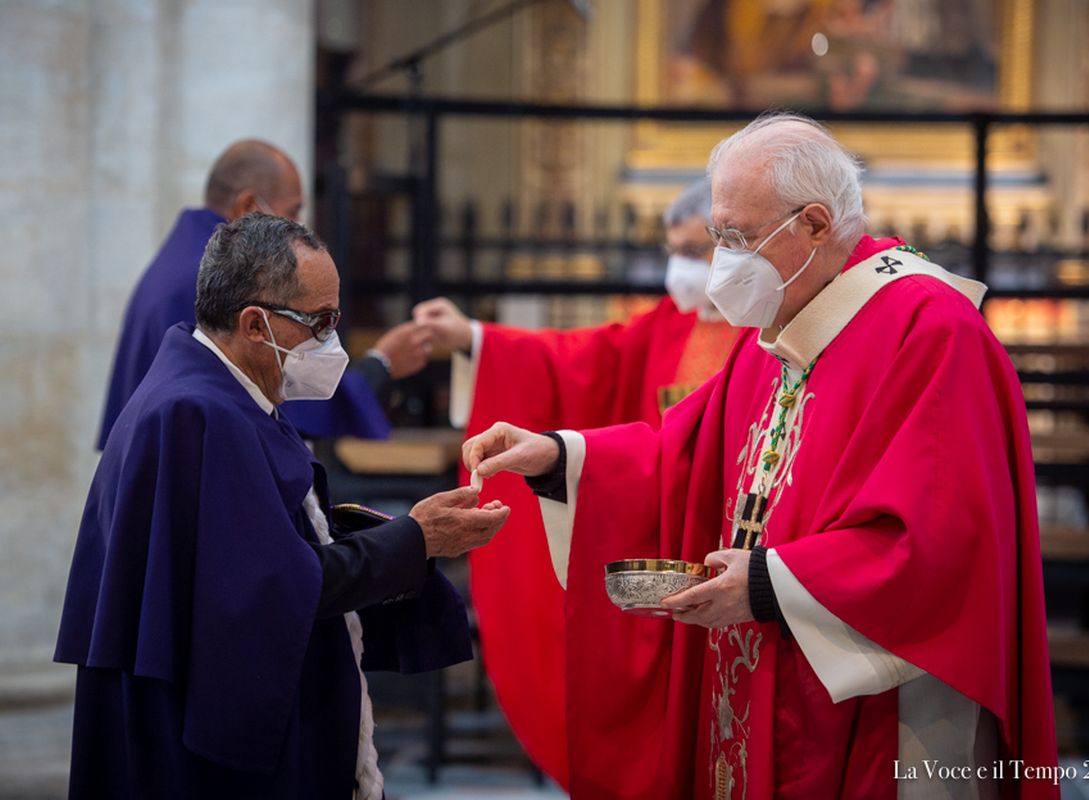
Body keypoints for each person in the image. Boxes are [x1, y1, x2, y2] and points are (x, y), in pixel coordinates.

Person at [462, 114, 1058, 798]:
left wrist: (772, 583)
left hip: (877, 706)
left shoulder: (930, 330)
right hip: (757, 672)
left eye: (736, 237)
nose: (722, 259)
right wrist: (559, 456)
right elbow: (685, 453)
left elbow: (943, 539)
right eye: (718, 235)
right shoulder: (779, 321)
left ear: (813, 224)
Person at [56, 214, 511, 799]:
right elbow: (274, 586)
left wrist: (394, 534)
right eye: (320, 322)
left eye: (336, 320)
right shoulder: (199, 414)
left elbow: (266, 548)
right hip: (192, 747)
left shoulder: (220, 392)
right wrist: (417, 538)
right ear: (253, 323)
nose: (332, 342)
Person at [412, 178, 738, 786]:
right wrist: (476, 340)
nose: (682, 270)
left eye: (695, 252)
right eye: (674, 252)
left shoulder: (768, 332)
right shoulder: (671, 323)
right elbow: (576, 359)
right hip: (664, 533)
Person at [97, 138, 431, 449]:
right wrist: (380, 366)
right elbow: (274, 393)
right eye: (292, 211)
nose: (300, 227)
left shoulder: (184, 257)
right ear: (247, 205)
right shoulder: (213, 275)